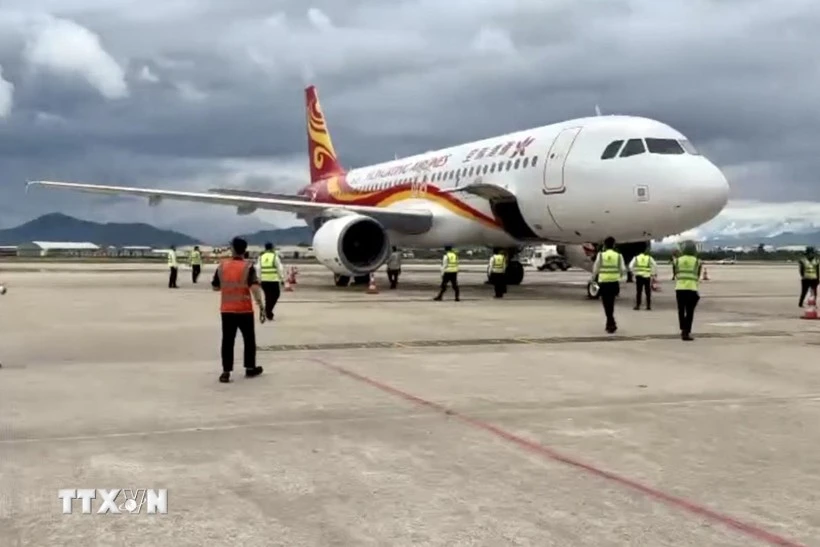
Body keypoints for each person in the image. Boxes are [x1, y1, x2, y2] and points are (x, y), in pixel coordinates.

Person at [211, 237, 265, 383]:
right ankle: (250, 368)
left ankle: (226, 371)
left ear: (232, 249)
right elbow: (254, 287)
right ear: (244, 250)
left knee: (227, 341)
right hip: (244, 310)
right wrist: (261, 306)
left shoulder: (222, 267)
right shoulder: (248, 267)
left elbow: (215, 287)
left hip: (227, 310)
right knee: (249, 340)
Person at [591, 237, 626, 333]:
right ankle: (610, 323)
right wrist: (619, 276)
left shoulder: (601, 255)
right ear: (614, 245)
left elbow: (596, 268)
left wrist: (593, 278)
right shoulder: (619, 256)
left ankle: (611, 322)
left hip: (604, 283)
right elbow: (623, 269)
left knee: (606, 304)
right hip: (614, 283)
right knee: (612, 303)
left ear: (605, 245)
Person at [674, 241, 702, 341]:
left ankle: (682, 328)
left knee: (681, 310)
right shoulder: (697, 261)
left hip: (679, 288)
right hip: (691, 288)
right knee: (690, 311)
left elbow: (676, 273)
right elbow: (698, 275)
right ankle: (686, 331)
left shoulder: (677, 260)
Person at [257, 242, 285, 321]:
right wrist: (282, 279)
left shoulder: (261, 257)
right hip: (273, 280)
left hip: (264, 281)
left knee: (268, 296)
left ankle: (268, 312)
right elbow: (279, 268)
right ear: (272, 248)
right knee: (276, 295)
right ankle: (268, 311)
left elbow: (258, 268)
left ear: (265, 248)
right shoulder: (274, 256)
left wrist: (259, 278)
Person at [628, 244, 657, 310]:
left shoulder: (636, 258)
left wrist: (634, 273)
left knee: (639, 291)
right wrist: (653, 273)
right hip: (647, 277)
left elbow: (630, 266)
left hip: (639, 277)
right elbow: (655, 265)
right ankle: (648, 306)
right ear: (644, 251)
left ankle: (638, 305)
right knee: (648, 292)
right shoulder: (649, 258)